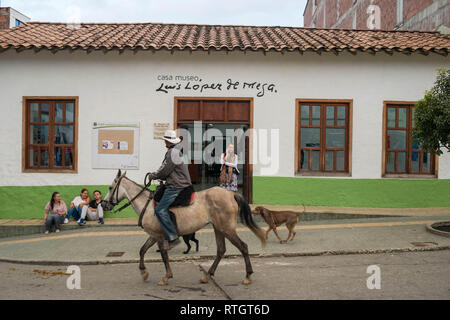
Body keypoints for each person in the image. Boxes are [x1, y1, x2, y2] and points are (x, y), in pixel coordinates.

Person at [148, 129, 192, 249]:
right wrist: (155, 174)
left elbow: (165, 170)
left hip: (176, 186)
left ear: (168, 141)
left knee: (160, 210)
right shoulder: (175, 151)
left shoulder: (172, 152)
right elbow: (165, 169)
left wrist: (153, 175)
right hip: (179, 183)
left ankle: (172, 237)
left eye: (165, 141)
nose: (164, 143)